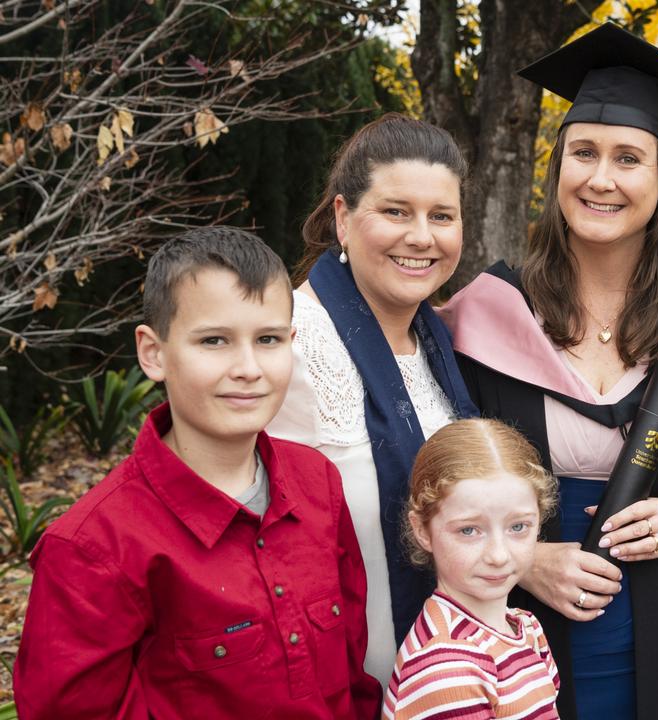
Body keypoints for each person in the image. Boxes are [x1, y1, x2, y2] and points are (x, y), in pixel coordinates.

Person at [440, 23, 658, 720]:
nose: (601, 179)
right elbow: (434, 479)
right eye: (583, 153)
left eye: (628, 158)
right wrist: (523, 560)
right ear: (558, 169)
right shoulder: (488, 314)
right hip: (518, 627)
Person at [16, 227, 380, 718]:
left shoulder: (318, 482)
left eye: (268, 339)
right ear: (153, 353)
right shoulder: (92, 548)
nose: (249, 367)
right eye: (214, 341)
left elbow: (353, 673)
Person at [269, 113, 480, 686]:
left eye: (442, 216)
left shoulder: (442, 344)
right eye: (395, 211)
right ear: (342, 218)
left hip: (447, 675)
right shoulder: (285, 343)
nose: (421, 236)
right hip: (334, 680)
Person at [383, 419, 561, 719]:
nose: (498, 555)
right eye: (469, 530)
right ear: (423, 531)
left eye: (518, 526)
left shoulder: (525, 627)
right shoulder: (446, 665)